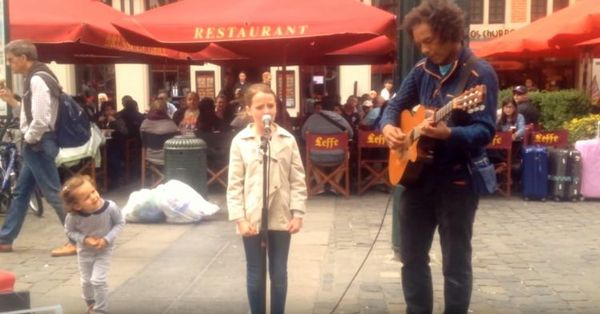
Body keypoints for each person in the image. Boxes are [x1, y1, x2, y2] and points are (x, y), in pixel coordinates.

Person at [380, 1, 498, 313]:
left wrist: (450, 134)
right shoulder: (422, 70)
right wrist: (390, 126)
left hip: (457, 182)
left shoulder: (479, 74)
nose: (423, 48)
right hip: (417, 181)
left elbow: (485, 131)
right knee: (412, 257)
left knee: (455, 264)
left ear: (450, 33)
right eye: (419, 42)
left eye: (428, 40)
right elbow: (394, 105)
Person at [227, 83, 307, 314]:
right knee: (255, 271)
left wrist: (298, 213)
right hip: (252, 216)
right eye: (259, 106)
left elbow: (298, 180)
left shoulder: (287, 139)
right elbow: (234, 184)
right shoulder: (240, 142)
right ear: (249, 110)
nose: (266, 111)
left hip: (281, 214)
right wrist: (239, 219)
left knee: (279, 273)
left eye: (270, 106)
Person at [0, 39, 77, 256]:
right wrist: (12, 101)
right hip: (40, 142)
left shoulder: (37, 80)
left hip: (38, 143)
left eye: (12, 60)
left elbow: (41, 120)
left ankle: (76, 239)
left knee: (53, 193)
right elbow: (30, 115)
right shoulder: (40, 76)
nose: (10, 64)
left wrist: (29, 138)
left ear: (24, 58)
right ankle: (5, 239)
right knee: (21, 192)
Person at [61, 175, 125, 314]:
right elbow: (69, 231)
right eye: (87, 197)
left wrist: (107, 239)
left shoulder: (110, 207)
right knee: (86, 282)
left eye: (93, 191)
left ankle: (101, 310)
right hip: (84, 252)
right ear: (77, 206)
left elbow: (120, 223)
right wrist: (84, 239)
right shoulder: (73, 217)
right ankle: (91, 304)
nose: (94, 196)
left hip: (104, 250)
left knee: (98, 280)